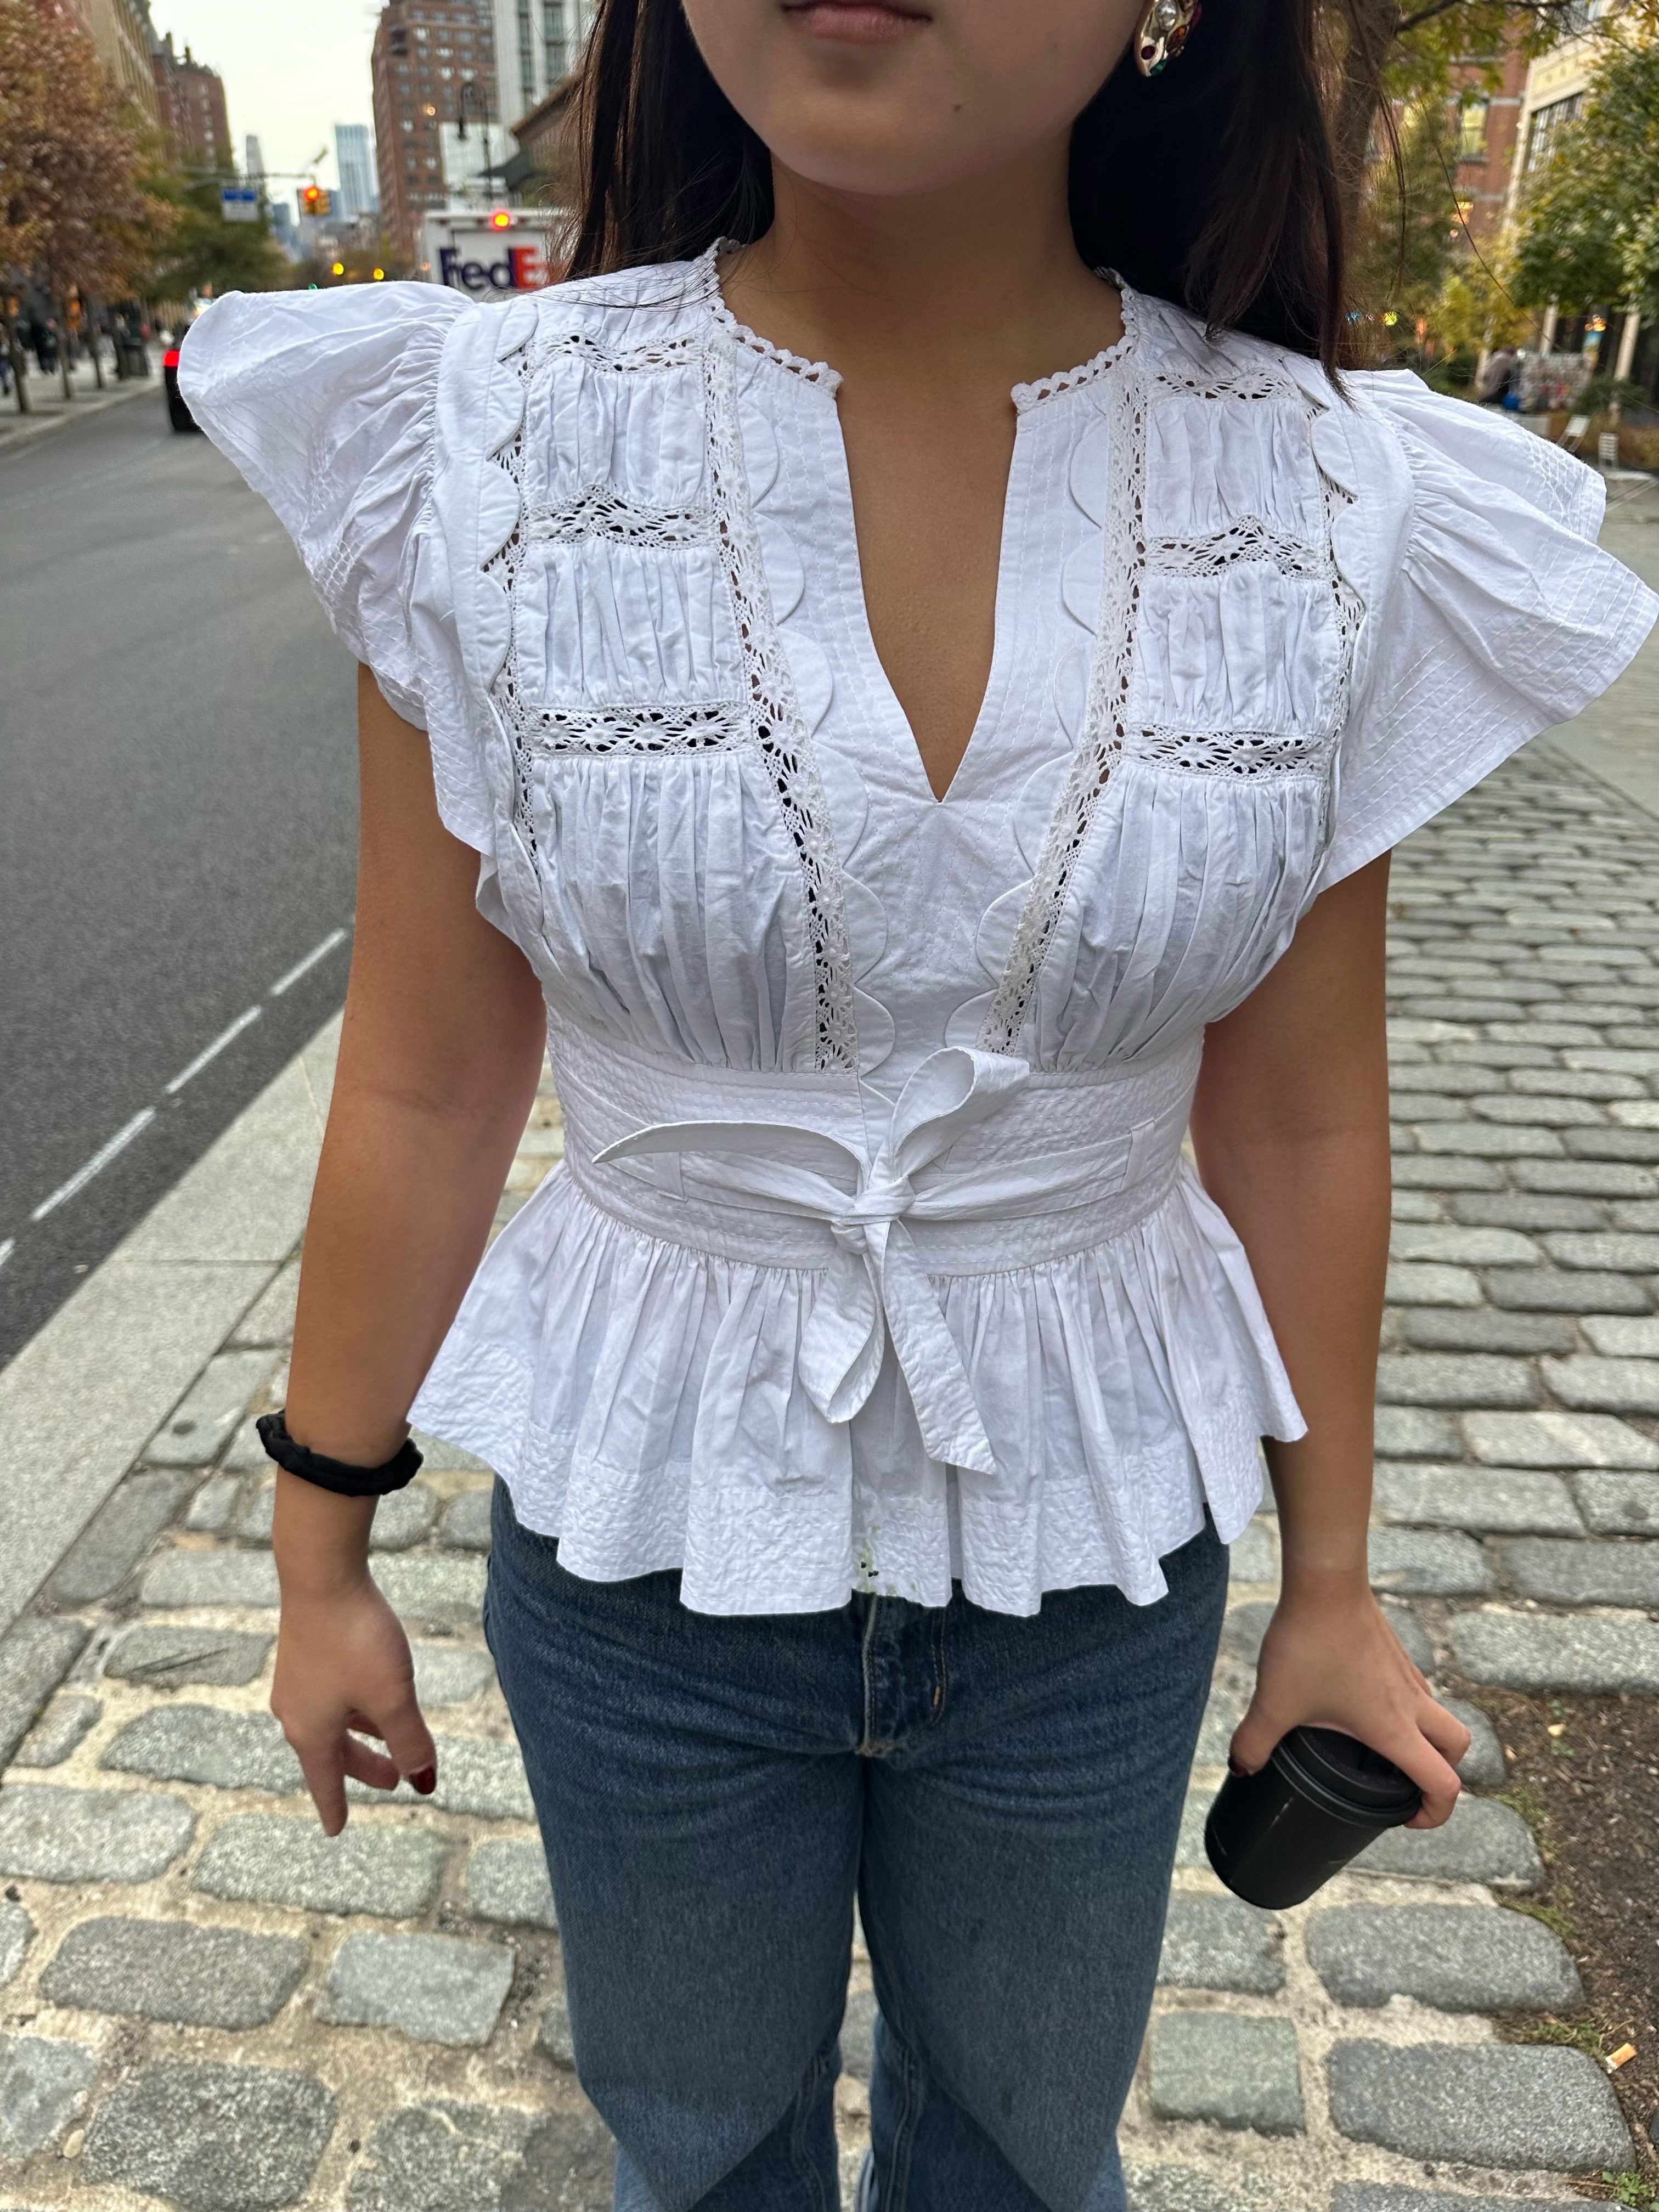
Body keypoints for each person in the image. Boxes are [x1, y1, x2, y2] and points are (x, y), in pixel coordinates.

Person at [178, 1, 1656, 2204]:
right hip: (648, 1531)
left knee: (1030, 2157)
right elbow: (427, 1068)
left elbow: (1299, 1117)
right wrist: (320, 1551)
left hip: (1092, 1551)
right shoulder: (483, 445)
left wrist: (1332, 1586)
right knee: (696, 2150)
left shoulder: (1326, 494)